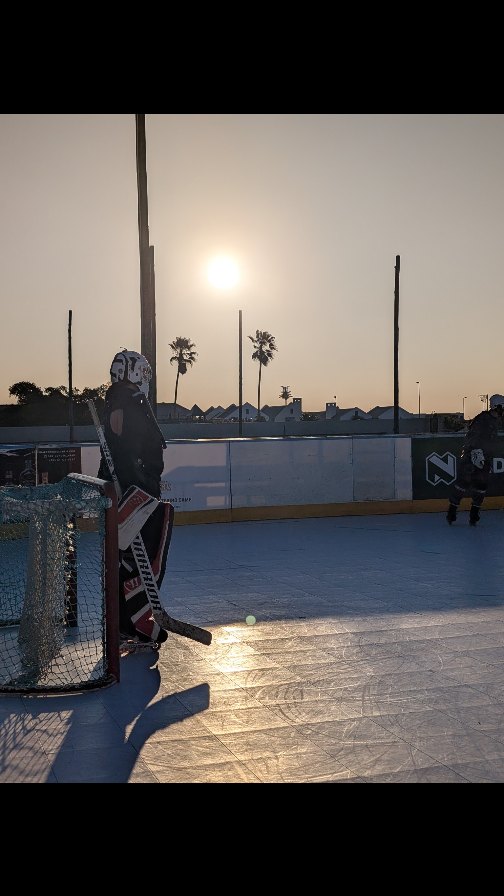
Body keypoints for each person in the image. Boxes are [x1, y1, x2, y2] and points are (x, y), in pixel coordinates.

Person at [97, 349, 173, 644]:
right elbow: (130, 453)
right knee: (144, 555)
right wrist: (140, 488)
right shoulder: (129, 403)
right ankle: (139, 621)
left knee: (123, 557)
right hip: (137, 494)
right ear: (133, 374)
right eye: (142, 372)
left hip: (123, 491)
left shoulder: (114, 402)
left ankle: (126, 623)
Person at [446, 394, 504, 526]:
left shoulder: (496, 421)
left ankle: (474, 513)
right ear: (497, 407)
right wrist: (474, 451)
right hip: (471, 457)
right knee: (463, 483)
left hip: (485, 458)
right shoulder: (482, 419)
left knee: (481, 485)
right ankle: (452, 511)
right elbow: (471, 436)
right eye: (503, 408)